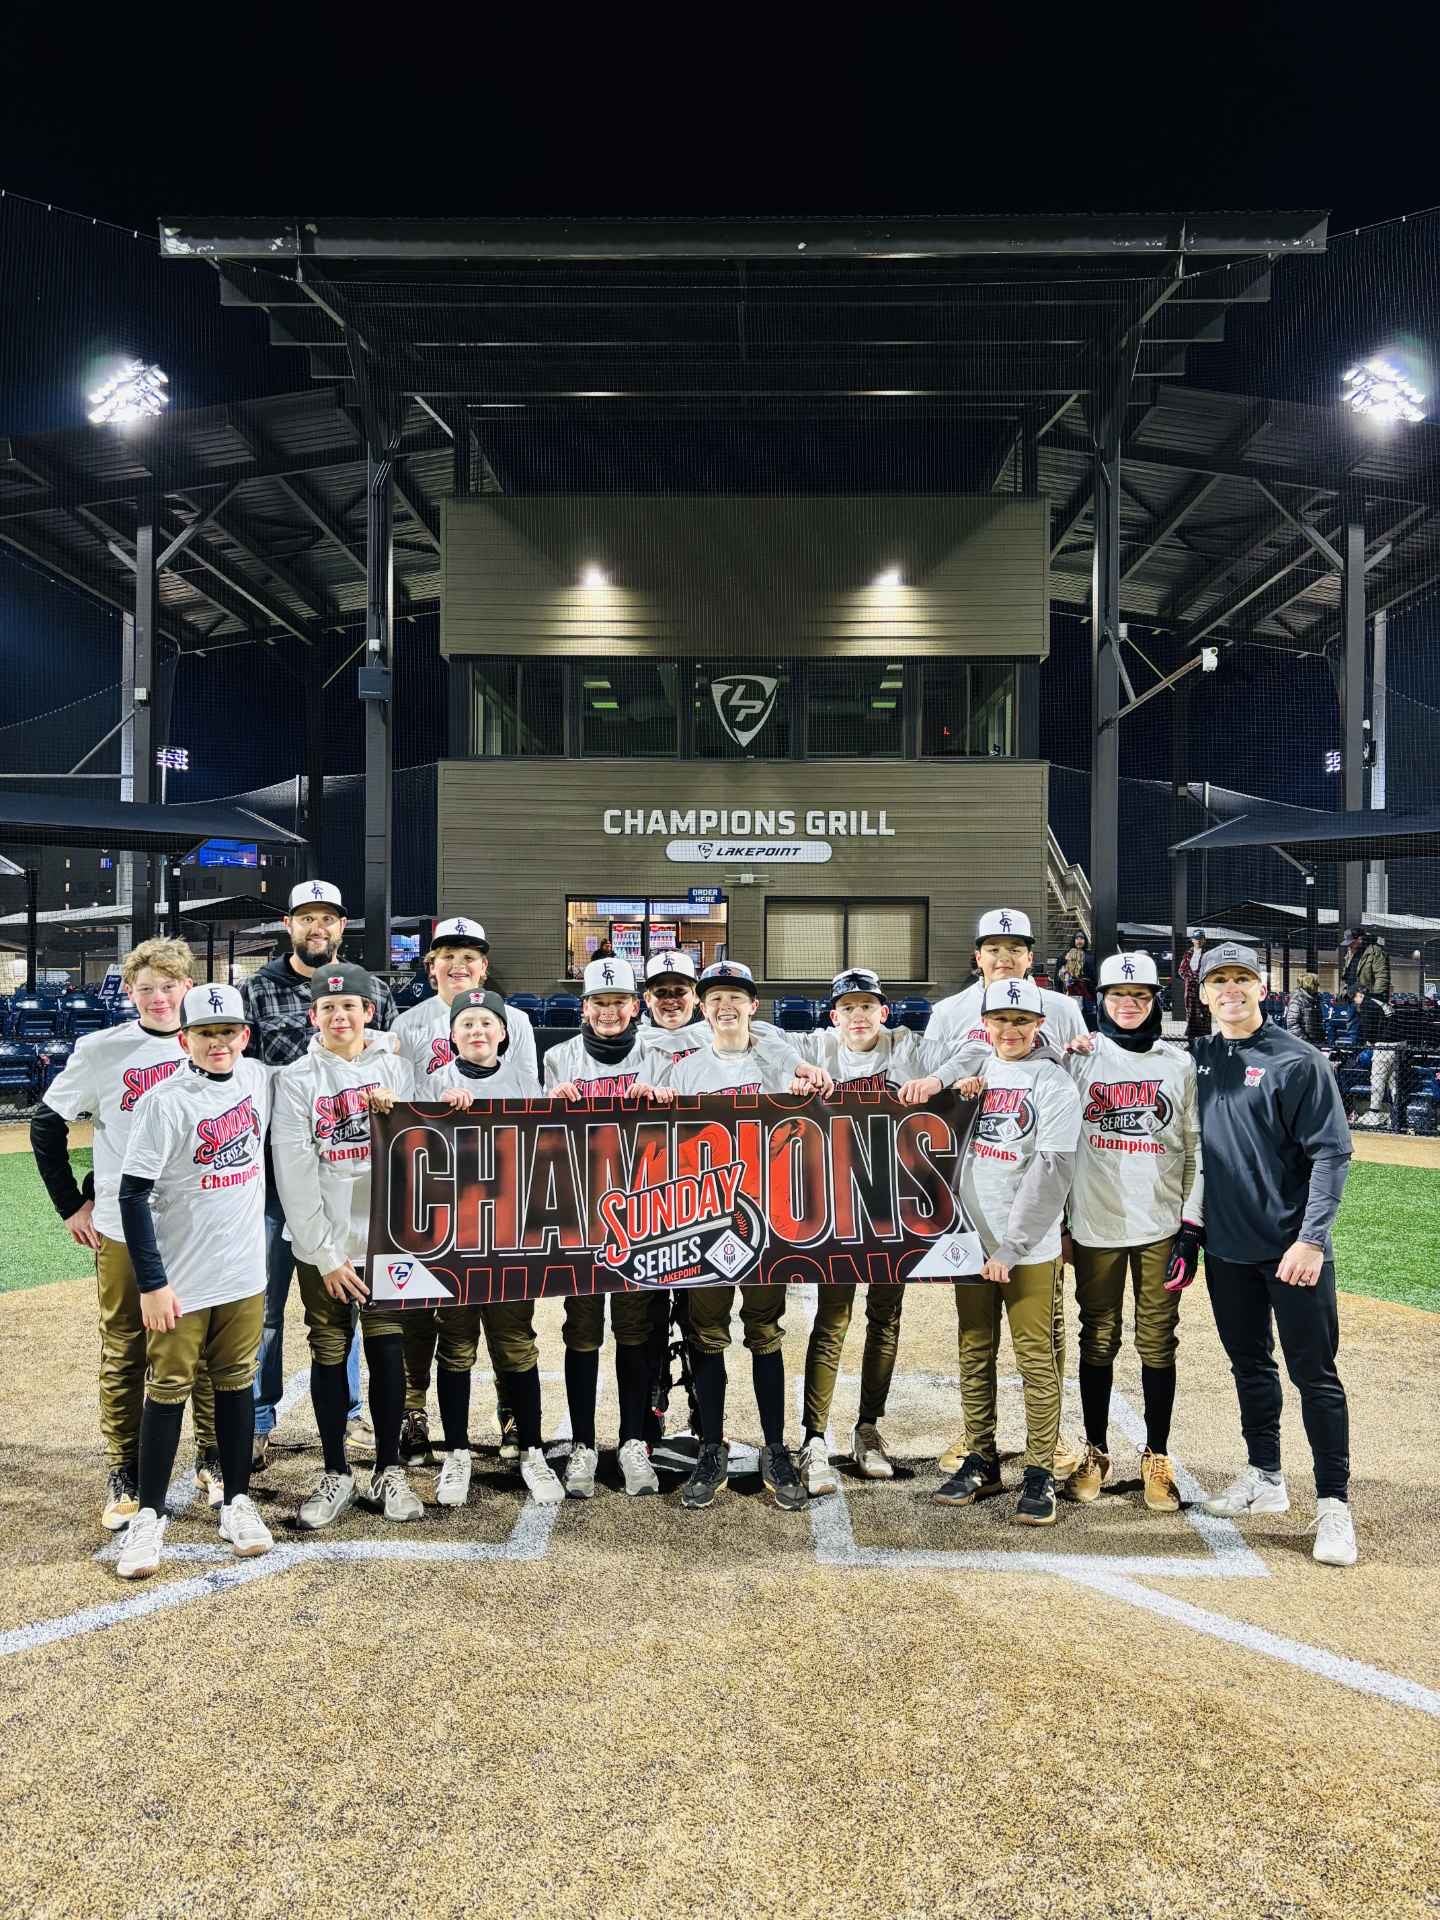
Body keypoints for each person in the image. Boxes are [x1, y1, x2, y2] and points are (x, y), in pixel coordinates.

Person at [30, 937, 221, 1530]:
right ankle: (125, 1469)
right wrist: (72, 1203)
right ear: (130, 994)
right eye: (146, 989)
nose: (159, 998)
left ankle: (212, 1458)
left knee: (206, 1346)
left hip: (198, 1223)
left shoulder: (215, 1043)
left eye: (169, 986)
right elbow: (46, 1124)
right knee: (125, 1346)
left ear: (187, 987)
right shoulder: (101, 1049)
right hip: (120, 1223)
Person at [1192, 943, 1357, 1567]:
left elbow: (1332, 1154)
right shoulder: (1200, 1057)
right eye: (1219, 981)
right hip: (1226, 1249)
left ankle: (1334, 1504)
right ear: (1203, 994)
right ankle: (1265, 1478)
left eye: (1242, 978)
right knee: (1250, 1366)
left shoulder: (1299, 1060)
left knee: (1315, 1375)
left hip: (1293, 1250)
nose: (1231, 990)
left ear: (1262, 988)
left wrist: (1311, 1240)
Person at [649, 961, 828, 1513]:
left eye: (736, 998)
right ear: (703, 1010)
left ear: (754, 1005)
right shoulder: (685, 1070)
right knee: (707, 1333)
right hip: (705, 1219)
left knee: (764, 1331)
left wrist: (808, 1086)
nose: (725, 1007)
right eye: (715, 999)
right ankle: (711, 1446)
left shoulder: (778, 1061)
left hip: (766, 1219)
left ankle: (775, 1447)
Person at [112, 985, 274, 1579]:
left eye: (227, 1031)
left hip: (243, 1271)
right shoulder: (165, 1101)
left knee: (235, 1384)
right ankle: (149, 1513)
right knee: (169, 1388)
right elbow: (133, 1196)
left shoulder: (257, 1078)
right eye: (205, 1033)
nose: (218, 1042)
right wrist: (152, 1283)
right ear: (185, 1040)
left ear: (244, 1036)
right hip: (182, 1276)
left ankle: (237, 1500)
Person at [791, 966, 968, 1493]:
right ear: (833, 1016)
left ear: (884, 1012)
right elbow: (754, 1041)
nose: (858, 1015)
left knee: (885, 1317)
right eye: (848, 1007)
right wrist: (794, 1071)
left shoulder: (908, 1045)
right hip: (836, 1208)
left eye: (867, 1006)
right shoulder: (816, 1046)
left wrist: (940, 1080)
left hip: (894, 1209)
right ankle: (814, 1436)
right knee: (832, 1318)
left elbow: (977, 1051)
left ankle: (868, 1428)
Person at [925, 908, 1085, 1476]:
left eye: (1021, 1020)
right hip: (972, 1235)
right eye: (999, 1020)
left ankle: (1044, 1457)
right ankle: (979, 1450)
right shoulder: (964, 1039)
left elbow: (1053, 1165)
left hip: (1026, 1239)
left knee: (1038, 1348)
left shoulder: (1055, 1062)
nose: (1009, 1029)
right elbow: (937, 1109)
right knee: (975, 1347)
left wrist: (1017, 1244)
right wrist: (956, 1091)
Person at [243, 881, 394, 1468]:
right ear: (289, 924)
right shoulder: (256, 989)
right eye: (306, 917)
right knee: (266, 1306)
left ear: (341, 925)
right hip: (271, 1170)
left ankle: (350, 1414)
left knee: (345, 1292)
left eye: (327, 918)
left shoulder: (370, 988)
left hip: (348, 1175)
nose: (317, 927)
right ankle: (259, 1418)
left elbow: (389, 1056)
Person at [270, 964, 417, 1528]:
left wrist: (400, 1114)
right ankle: (336, 1470)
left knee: (387, 1348)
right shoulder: (295, 1080)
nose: (339, 1016)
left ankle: (388, 1468)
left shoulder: (397, 1069)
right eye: (328, 1008)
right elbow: (294, 1174)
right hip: (324, 1241)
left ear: (368, 1012)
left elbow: (426, 1149)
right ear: (313, 1016)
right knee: (329, 1348)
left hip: (386, 1239)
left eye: (350, 1006)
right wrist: (326, 1255)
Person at [1058, 952, 1203, 1514]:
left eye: (1139, 996)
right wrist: (1062, 1222)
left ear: (1154, 1002)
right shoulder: (1080, 1058)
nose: (1128, 1004)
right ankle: (1096, 1450)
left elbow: (1194, 1147)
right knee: (1097, 1336)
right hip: (1095, 1223)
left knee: (1158, 1340)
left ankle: (1157, 1455)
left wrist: (1191, 1225)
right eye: (1118, 995)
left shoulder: (1178, 1063)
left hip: (1160, 1225)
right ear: (1101, 1001)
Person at [389, 916, 535, 1467]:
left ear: (484, 966)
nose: (458, 965)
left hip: (497, 1186)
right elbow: (401, 1106)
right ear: (431, 966)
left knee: (504, 1308)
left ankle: (512, 1411)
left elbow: (525, 1100)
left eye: (469, 956)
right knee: (421, 1309)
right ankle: (413, 1411)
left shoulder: (516, 1021)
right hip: (430, 1185)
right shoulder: (407, 1022)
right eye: (447, 955)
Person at [420, 987, 563, 1505]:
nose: (477, 1031)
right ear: (452, 1035)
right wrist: (437, 1112)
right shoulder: (434, 1081)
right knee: (456, 1344)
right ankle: (457, 1451)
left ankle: (531, 1448)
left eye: (486, 1023)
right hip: (454, 1236)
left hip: (509, 1234)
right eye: (467, 1024)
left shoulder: (525, 1082)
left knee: (516, 1341)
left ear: (504, 1032)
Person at [545, 957, 673, 1499]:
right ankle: (582, 1442)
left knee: (635, 1328)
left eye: (619, 1001)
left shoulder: (660, 1057)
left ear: (635, 1006)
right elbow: (534, 1137)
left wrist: (664, 1102)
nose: (609, 1011)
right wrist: (548, 1106)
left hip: (643, 1210)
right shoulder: (558, 1058)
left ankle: (632, 1441)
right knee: (582, 1328)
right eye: (599, 1002)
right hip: (580, 1211)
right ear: (584, 1008)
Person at [1177, 930, 1210, 1042]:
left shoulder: (1208, 954)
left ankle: (1205, 1039)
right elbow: (1181, 970)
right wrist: (1191, 977)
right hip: (1190, 987)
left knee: (1204, 1011)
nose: (1198, 941)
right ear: (1192, 940)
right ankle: (1191, 1039)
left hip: (1203, 988)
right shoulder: (1188, 953)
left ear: (1204, 940)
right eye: (1196, 939)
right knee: (1191, 1011)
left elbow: (1209, 970)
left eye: (1201, 939)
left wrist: (1200, 978)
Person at [1340, 928, 1390, 1001]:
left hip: (1367, 997)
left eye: (1352, 942)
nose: (1349, 945)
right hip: (1351, 995)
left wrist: (1376, 997)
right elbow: (1346, 974)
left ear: (1360, 939)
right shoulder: (1350, 952)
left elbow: (1381, 977)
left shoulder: (1376, 952)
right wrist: (1343, 993)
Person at [1284, 972, 1325, 1048]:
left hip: (1315, 1043)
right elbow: (1292, 1025)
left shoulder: (1315, 999)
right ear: (1310, 985)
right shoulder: (1297, 1000)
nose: (1318, 986)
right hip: (1303, 1045)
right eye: (1316, 984)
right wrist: (1306, 1042)